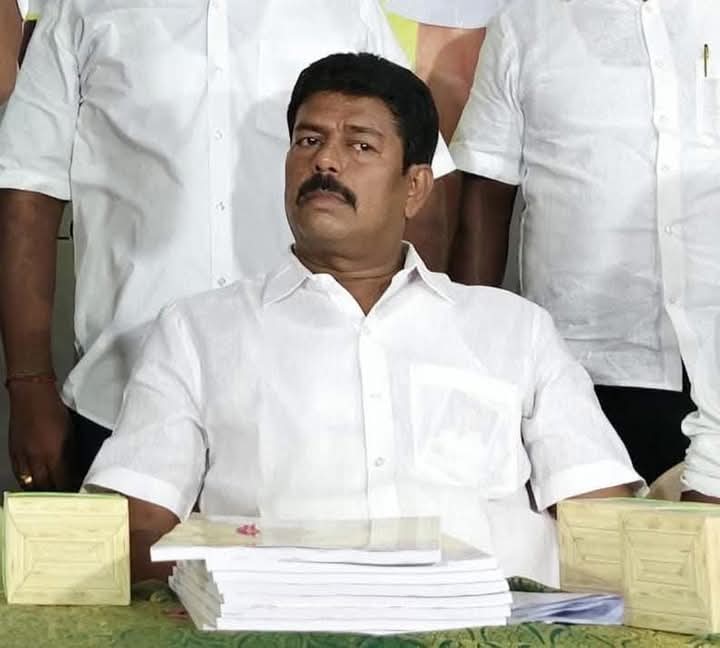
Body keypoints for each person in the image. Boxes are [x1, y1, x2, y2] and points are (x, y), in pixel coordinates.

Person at [84, 53, 642, 586]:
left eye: (360, 145)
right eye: (308, 140)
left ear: (415, 187)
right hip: (281, 624)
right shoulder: (198, 332)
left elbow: (601, 517)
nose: (325, 161)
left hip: (488, 624)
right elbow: (135, 525)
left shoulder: (516, 331)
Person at [0, 0, 454, 492]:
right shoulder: (83, 7)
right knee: (126, 546)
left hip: (316, 404)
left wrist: (408, 373)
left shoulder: (346, 10)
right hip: (119, 396)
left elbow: (418, 189)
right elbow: (28, 189)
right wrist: (29, 384)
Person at [449, 0, 720, 499]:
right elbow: (486, 197)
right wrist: (473, 364)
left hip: (714, 345)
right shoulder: (525, 25)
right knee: (593, 545)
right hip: (583, 371)